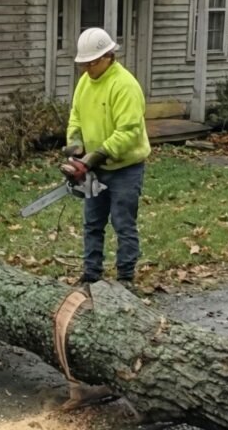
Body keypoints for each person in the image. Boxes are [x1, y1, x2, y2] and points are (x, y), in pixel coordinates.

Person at [64, 27, 151, 285]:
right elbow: (75, 117)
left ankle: (125, 277)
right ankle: (91, 275)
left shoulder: (124, 85)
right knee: (92, 222)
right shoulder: (84, 83)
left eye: (92, 63)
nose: (88, 69)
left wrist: (98, 154)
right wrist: (75, 145)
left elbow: (130, 132)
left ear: (108, 56)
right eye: (84, 64)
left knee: (123, 223)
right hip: (95, 167)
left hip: (125, 168)